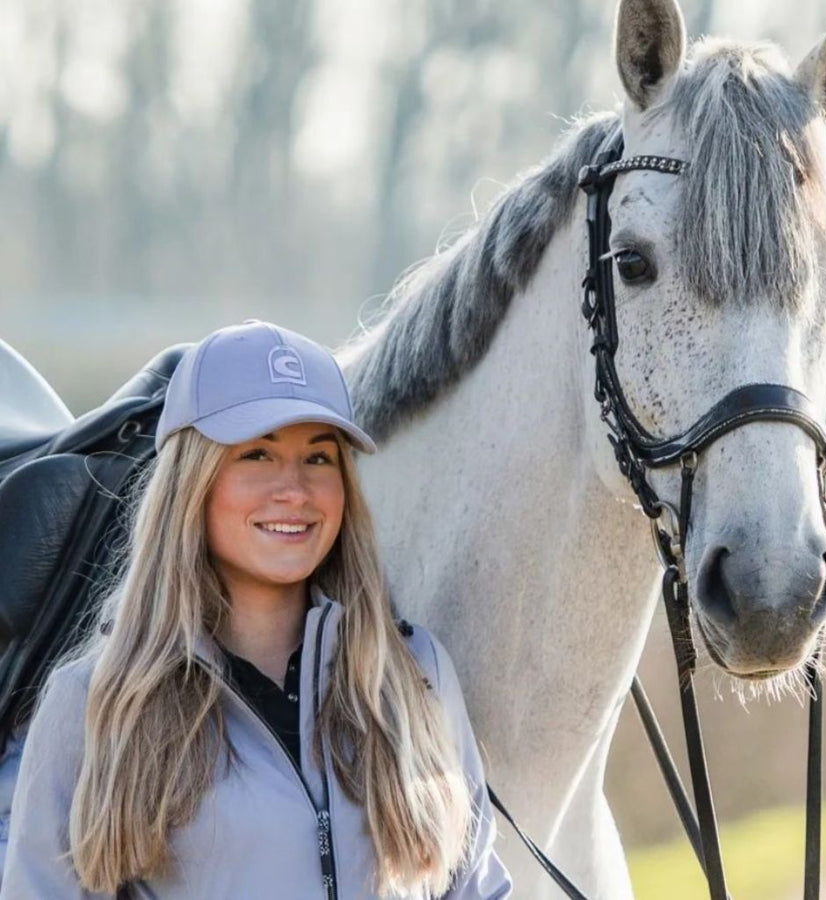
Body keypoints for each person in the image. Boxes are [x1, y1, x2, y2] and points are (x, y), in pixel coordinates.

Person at [1, 321, 512, 899]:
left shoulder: (416, 677)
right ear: (191, 483)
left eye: (318, 458)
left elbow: (475, 889)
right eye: (258, 454)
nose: (293, 489)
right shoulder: (97, 702)